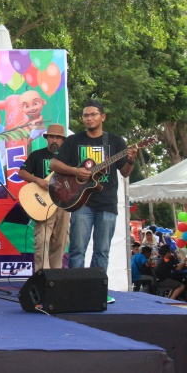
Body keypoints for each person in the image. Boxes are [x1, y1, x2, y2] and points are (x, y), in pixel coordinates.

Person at [49, 99, 137, 272]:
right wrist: (76, 171)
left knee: (102, 252)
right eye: (85, 115)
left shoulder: (115, 141)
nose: (89, 118)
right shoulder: (74, 141)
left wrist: (131, 160)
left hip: (107, 203)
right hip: (81, 202)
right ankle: (76, 286)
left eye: (93, 115)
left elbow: (125, 173)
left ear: (103, 117)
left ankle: (96, 287)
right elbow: (54, 164)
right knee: (77, 251)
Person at [18, 123, 70, 271]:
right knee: (42, 241)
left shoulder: (69, 159)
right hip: (43, 204)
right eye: (51, 137)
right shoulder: (37, 155)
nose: (55, 140)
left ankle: (56, 275)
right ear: (47, 138)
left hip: (63, 204)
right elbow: (22, 173)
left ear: (63, 140)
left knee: (61, 240)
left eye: (58, 138)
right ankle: (42, 275)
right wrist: (37, 180)